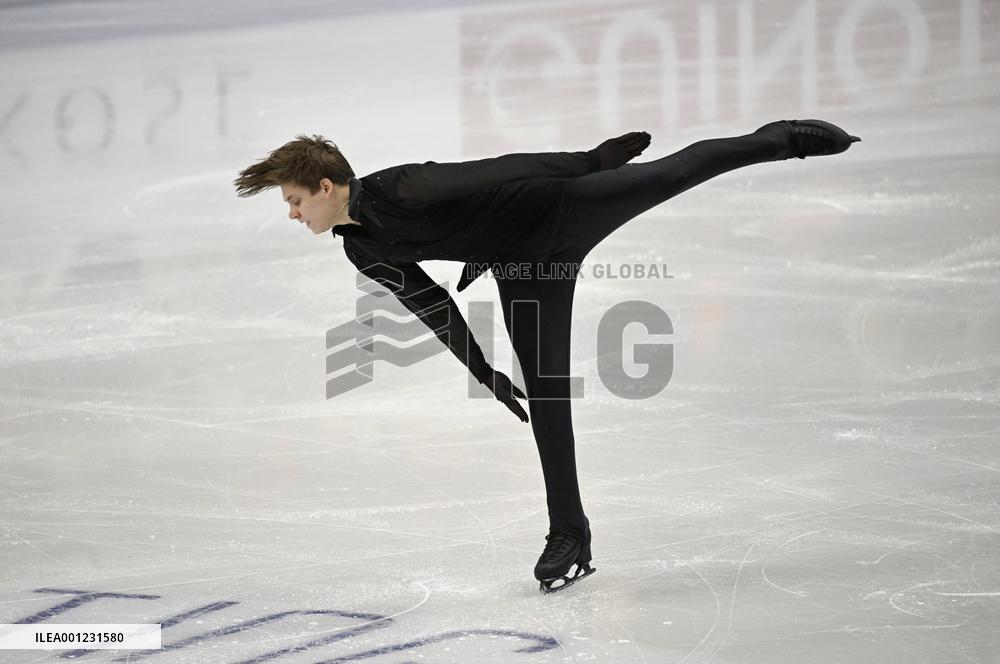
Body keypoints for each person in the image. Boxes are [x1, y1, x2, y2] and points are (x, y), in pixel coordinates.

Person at [234, 119, 860, 592]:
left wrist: (590, 163)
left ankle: (782, 139)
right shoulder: (359, 248)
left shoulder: (403, 186)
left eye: (294, 201)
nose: (292, 214)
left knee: (675, 171)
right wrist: (484, 372)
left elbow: (498, 168)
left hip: (565, 207)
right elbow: (431, 305)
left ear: (325, 187)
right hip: (526, 268)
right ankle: (571, 535)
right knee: (549, 399)